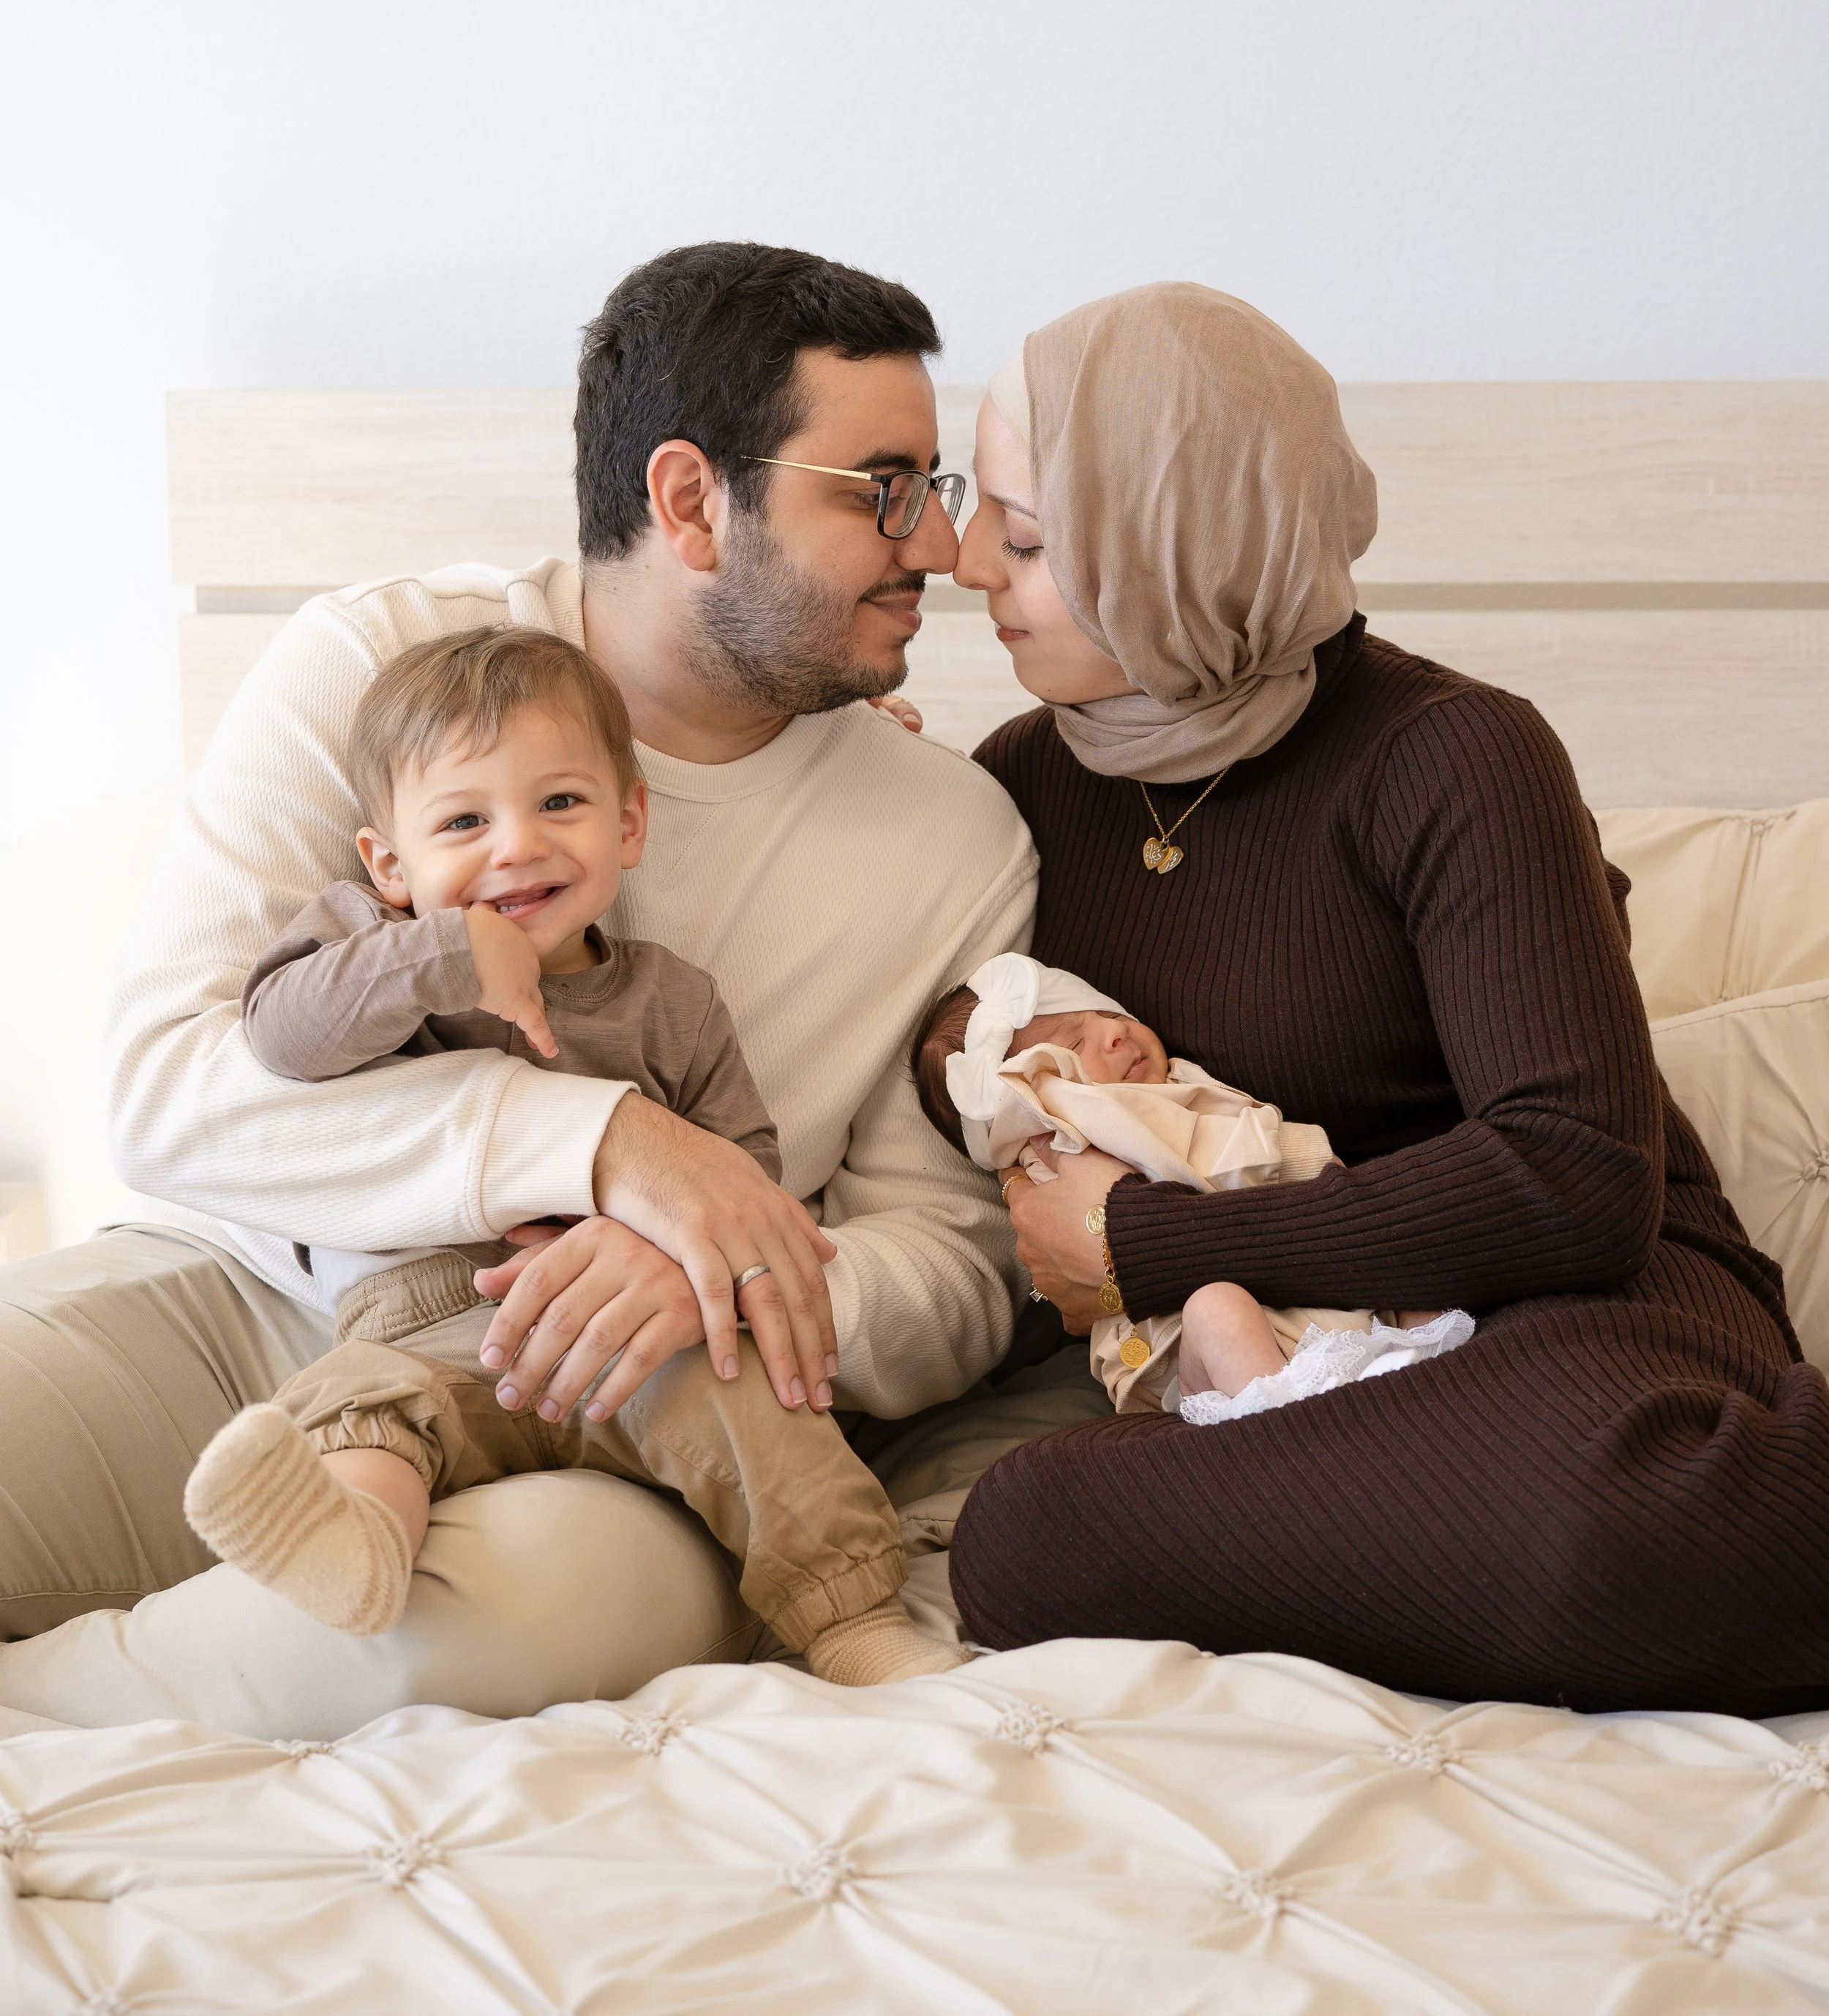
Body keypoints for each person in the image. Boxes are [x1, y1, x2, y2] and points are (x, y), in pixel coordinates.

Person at [0, 244, 1034, 1734]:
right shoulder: (376, 663)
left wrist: (716, 1273)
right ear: (690, 502)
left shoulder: (953, 837)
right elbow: (172, 1089)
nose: (936, 548)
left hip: (612, 1405)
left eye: (929, 490)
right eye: (878, 490)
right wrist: (601, 1142)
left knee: (503, 1627)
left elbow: (952, 1280)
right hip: (243, 1299)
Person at [944, 282, 1829, 1718]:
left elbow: (1577, 1180)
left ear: (1181, 553)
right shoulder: (1015, 793)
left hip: (1568, 1312)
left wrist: (1143, 1240)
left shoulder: (1450, 755)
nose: (965, 559)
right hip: (1275, 1361)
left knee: (1612, 1520)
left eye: (1027, 537)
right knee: (1018, 1537)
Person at [186, 625, 960, 1685]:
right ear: (390, 862)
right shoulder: (370, 947)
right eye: (464, 820)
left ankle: (851, 1617)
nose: (517, 846)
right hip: (428, 1327)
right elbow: (280, 1034)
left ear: (629, 820)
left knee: (763, 1413)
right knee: (357, 1409)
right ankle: (356, 1543)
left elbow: (740, 1169)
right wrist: (439, 951)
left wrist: (689, 1260)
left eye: (561, 803)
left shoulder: (670, 1001)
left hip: (633, 1335)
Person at [912, 950, 1465, 1415]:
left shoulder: (1171, 1081)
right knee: (1217, 1311)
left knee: (1417, 1263)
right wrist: (1299, 1155)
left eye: (1103, 1013)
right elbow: (1205, 1160)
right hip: (1186, 1350)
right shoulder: (1074, 1134)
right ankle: (1306, 1437)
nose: (1111, 1036)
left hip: (1309, 1288)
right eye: (1071, 1049)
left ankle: (1429, 1374)